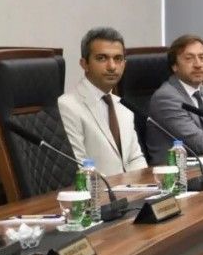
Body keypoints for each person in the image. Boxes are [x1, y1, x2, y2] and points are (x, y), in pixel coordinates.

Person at [57, 27, 148, 175]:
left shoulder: (124, 106)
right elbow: (80, 166)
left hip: (132, 187)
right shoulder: (68, 105)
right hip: (99, 188)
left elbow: (135, 158)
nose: (112, 66)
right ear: (84, 64)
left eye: (118, 59)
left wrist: (146, 186)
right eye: (102, 58)